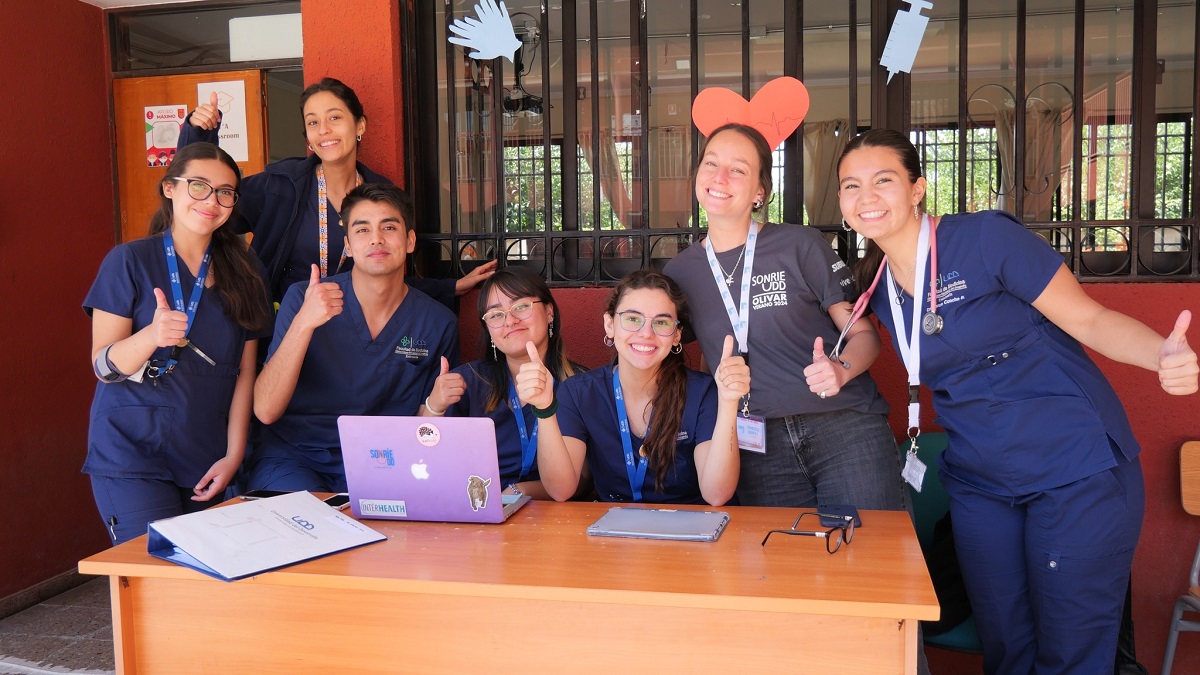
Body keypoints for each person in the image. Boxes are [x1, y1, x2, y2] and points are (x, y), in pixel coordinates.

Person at [836, 128, 1198, 674]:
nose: (867, 196)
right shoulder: (879, 285)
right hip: (982, 482)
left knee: (1071, 653)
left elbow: (1088, 318)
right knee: (1007, 647)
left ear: (917, 189)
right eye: (851, 186)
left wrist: (1160, 356)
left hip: (1075, 468)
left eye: (883, 180)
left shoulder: (984, 239)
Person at [664, 122, 909, 512]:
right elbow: (711, 358)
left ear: (760, 190)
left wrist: (841, 368)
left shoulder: (800, 244)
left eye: (738, 169)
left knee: (871, 559)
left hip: (843, 426)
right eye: (711, 163)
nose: (720, 177)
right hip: (756, 442)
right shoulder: (680, 273)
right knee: (782, 566)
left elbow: (863, 334)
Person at [84, 142, 272, 545]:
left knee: (207, 581)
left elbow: (245, 372)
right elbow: (103, 366)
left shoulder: (246, 270)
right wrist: (152, 335)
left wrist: (234, 453)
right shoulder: (129, 260)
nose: (212, 201)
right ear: (170, 188)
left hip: (205, 452)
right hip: (131, 448)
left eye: (225, 192)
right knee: (155, 573)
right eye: (198, 186)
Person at [178, 78, 496, 306]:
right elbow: (206, 210)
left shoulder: (382, 198)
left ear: (360, 126)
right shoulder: (278, 186)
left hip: (348, 335)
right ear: (308, 137)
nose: (324, 130)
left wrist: (452, 286)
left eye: (334, 118)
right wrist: (199, 137)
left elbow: (388, 278)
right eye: (313, 123)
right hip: (278, 332)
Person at [250, 182, 459, 492]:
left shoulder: (437, 322)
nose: (376, 238)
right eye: (362, 230)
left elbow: (428, 428)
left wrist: (436, 406)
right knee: (308, 527)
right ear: (347, 244)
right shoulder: (304, 298)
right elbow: (265, 410)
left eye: (389, 227)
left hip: (385, 463)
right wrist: (304, 323)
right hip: (297, 458)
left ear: (410, 240)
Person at [529, 270, 749, 505]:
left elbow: (716, 495)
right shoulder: (579, 392)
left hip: (693, 531)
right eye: (633, 319)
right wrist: (544, 410)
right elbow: (561, 490)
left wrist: (728, 403)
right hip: (613, 532)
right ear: (610, 324)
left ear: (676, 336)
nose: (646, 333)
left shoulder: (702, 392)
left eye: (662, 322)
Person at [420, 267, 583, 499]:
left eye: (521, 306)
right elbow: (423, 459)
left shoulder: (579, 384)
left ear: (549, 312)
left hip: (552, 519)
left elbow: (582, 481)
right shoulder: (468, 381)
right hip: (478, 515)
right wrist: (434, 407)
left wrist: (520, 492)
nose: (510, 320)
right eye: (496, 314)